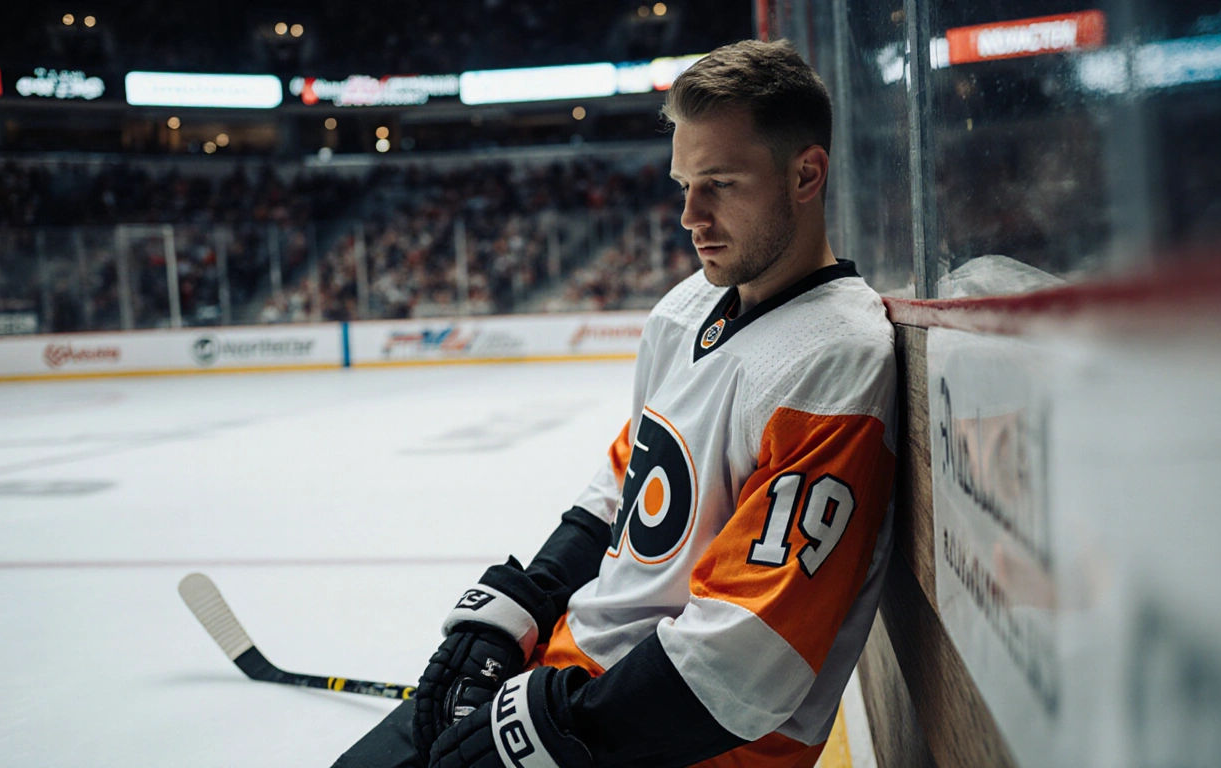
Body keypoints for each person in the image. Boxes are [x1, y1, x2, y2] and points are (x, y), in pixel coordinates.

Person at [333, 39, 898, 768]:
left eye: (720, 183)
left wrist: (570, 731)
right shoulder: (685, 310)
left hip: (680, 743)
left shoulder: (838, 356)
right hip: (572, 689)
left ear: (805, 174)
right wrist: (522, 610)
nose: (690, 215)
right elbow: (627, 486)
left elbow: (754, 651)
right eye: (683, 184)